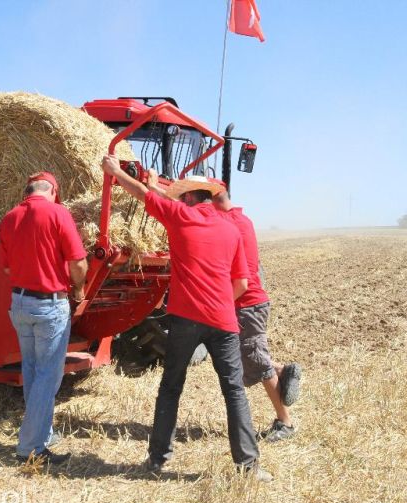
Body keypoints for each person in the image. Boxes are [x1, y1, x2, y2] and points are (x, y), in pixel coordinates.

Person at [101, 156, 271, 481]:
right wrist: (218, 303)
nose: (180, 201)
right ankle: (249, 467)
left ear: (190, 198)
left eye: (182, 197)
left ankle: (156, 461)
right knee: (234, 391)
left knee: (170, 388)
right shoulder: (231, 230)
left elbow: (142, 195)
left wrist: (115, 172)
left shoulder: (181, 217)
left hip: (184, 318)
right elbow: (243, 283)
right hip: (223, 321)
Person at [0, 171, 88, 465]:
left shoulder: (9, 217)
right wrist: (78, 287)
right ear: (52, 191)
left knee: (33, 371)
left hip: (19, 304)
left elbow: (8, 269)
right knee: (48, 376)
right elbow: (78, 262)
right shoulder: (58, 213)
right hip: (49, 305)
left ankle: (43, 433)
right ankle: (30, 448)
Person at [207, 178, 302, 442]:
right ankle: (282, 370)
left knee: (255, 357)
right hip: (250, 302)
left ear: (213, 200)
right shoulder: (241, 219)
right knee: (242, 354)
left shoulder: (225, 224)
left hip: (246, 303)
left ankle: (286, 423)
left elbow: (241, 279)